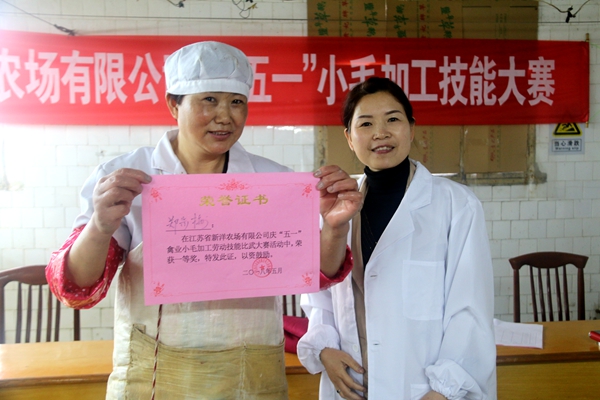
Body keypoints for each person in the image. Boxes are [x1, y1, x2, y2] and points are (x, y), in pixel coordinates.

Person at [46, 41, 362, 399]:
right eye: (209, 100)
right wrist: (99, 227)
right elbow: (78, 288)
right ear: (173, 104)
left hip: (252, 377)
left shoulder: (273, 182)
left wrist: (335, 227)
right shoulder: (129, 177)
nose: (225, 116)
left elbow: (315, 273)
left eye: (237, 102)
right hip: (153, 379)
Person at [297, 76, 497, 400]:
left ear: (412, 129)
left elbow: (470, 309)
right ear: (349, 138)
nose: (381, 133)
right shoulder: (336, 205)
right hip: (352, 383)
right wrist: (324, 348)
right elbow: (318, 294)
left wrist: (444, 390)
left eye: (392, 119)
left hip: (424, 389)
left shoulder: (456, 205)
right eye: (366, 123)